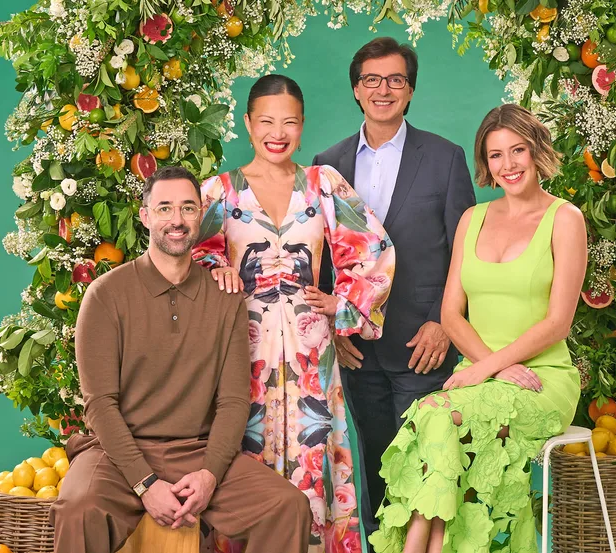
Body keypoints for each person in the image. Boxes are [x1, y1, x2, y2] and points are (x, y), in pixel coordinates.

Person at [51, 166, 312, 553]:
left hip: (197, 450)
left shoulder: (224, 298)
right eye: (165, 208)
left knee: (288, 506)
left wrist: (209, 474)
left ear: (200, 216)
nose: (177, 220)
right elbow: (100, 405)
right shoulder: (105, 295)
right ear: (145, 216)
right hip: (116, 454)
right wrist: (145, 483)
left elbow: (233, 401)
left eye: (188, 208)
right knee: (78, 509)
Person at [369, 104, 588, 553]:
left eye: (518, 151)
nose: (508, 165)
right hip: (480, 378)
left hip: (541, 380)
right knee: (435, 420)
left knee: (435, 413)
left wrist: (489, 367)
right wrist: (490, 369)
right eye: (495, 155)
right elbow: (451, 315)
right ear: (485, 163)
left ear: (537, 151)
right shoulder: (473, 220)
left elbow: (557, 322)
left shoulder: (565, 219)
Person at [192, 75, 396, 553]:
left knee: (316, 457)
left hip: (311, 353)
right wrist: (216, 266)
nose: (277, 132)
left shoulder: (323, 185)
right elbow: (187, 257)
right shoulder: (218, 193)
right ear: (247, 124)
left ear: (302, 126)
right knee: (244, 456)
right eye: (265, 121)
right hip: (243, 352)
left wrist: (343, 303)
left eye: (288, 122)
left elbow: (375, 250)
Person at [311, 37, 475, 546]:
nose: (384, 89)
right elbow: (322, 259)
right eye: (372, 80)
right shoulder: (327, 162)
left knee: (426, 474)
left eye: (396, 80)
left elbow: (463, 252)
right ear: (357, 91)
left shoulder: (446, 158)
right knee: (377, 469)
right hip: (357, 348)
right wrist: (335, 327)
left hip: (423, 344)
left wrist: (443, 323)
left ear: (410, 90)